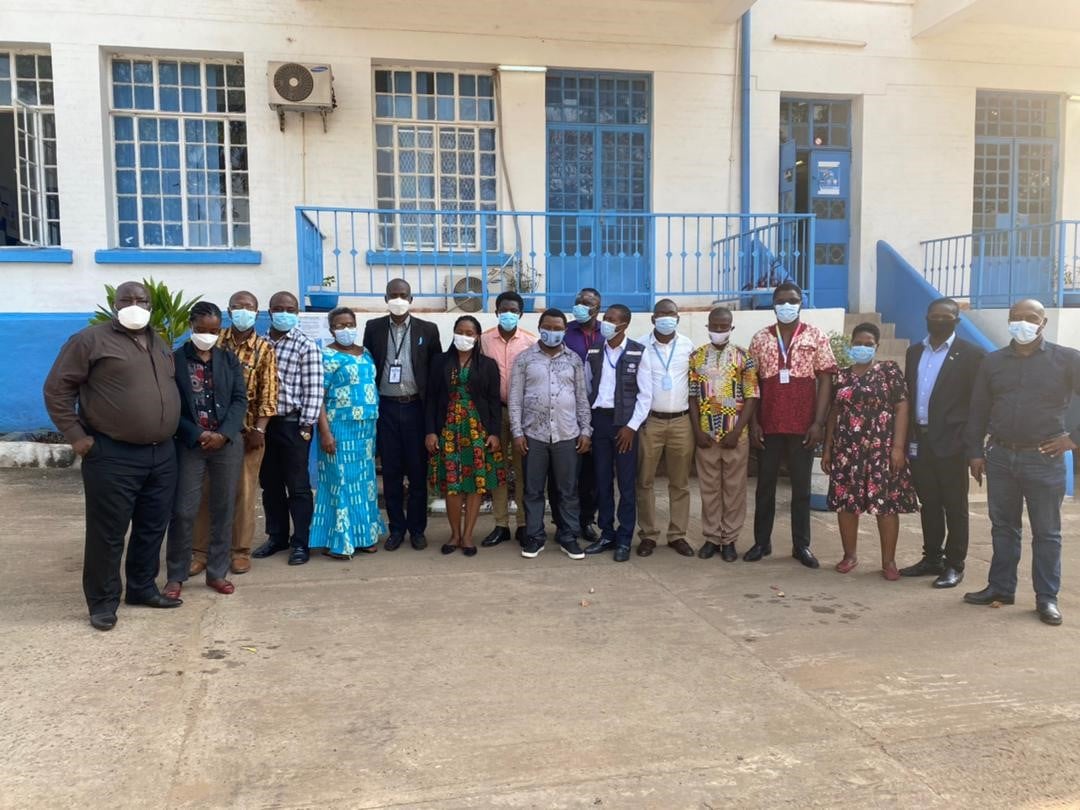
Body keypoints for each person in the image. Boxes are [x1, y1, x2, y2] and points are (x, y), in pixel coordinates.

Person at [43, 280, 182, 631]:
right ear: (115, 305)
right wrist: (77, 436)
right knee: (108, 532)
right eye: (126, 300)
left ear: (150, 305)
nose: (135, 305)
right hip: (112, 454)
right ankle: (103, 602)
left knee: (152, 526)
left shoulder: (159, 341)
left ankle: (142, 587)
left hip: (161, 454)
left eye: (141, 300)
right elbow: (57, 388)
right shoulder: (89, 341)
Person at [963, 299, 1080, 626]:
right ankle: (1001, 588)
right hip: (1000, 456)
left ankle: (1047, 598)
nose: (1023, 323)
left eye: (1031, 317)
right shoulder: (993, 362)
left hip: (1044, 458)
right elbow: (979, 408)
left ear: (1043, 323)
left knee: (1047, 532)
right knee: (1003, 527)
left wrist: (1074, 438)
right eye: (1016, 317)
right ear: (1009, 320)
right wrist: (975, 452)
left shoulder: (1067, 359)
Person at [747, 282, 836, 568]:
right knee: (765, 486)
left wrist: (818, 423)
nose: (787, 305)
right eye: (781, 300)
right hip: (768, 423)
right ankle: (762, 542)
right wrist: (754, 423)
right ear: (773, 304)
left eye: (793, 300)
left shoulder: (815, 335)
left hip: (803, 424)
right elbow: (751, 383)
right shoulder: (760, 338)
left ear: (801, 303)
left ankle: (801, 545)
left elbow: (825, 380)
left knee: (801, 488)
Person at [189, 290, 278, 576]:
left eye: (249, 307)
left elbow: (268, 394)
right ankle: (200, 551)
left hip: (246, 433)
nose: (243, 311)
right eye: (238, 307)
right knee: (205, 493)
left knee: (243, 493)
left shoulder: (264, 348)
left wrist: (259, 429)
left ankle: (239, 551)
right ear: (228, 311)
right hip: (208, 432)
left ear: (257, 312)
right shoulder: (214, 339)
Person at [164, 302, 248, 599]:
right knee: (183, 510)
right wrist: (197, 433)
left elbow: (239, 400)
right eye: (201, 330)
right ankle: (175, 575)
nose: (207, 336)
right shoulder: (174, 360)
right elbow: (171, 405)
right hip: (191, 444)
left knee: (223, 508)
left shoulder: (228, 359)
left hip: (225, 444)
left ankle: (217, 572)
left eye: (213, 331)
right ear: (191, 326)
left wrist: (223, 434)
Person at [821, 323, 918, 579]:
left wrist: (898, 448)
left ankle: (889, 562)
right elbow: (834, 412)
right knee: (846, 503)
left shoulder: (889, 372)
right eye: (858, 343)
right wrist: (828, 448)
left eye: (868, 344)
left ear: (877, 346)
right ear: (850, 345)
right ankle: (849, 555)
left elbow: (902, 407)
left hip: (881, 449)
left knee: (885, 505)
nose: (862, 348)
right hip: (846, 450)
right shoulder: (841, 376)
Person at [900, 298, 985, 588]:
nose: (938, 320)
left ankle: (954, 565)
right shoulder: (914, 352)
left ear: (956, 321)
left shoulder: (972, 354)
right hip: (920, 441)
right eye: (934, 316)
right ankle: (932, 558)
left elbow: (978, 403)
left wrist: (973, 445)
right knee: (929, 503)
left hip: (953, 442)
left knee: (955, 506)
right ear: (926, 318)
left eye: (945, 316)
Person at [363, 278, 441, 551]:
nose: (398, 299)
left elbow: (435, 374)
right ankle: (396, 528)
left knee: (418, 473)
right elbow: (368, 366)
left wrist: (432, 423)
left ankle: (417, 529)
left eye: (403, 295)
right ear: (386, 298)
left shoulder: (428, 330)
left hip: (416, 409)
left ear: (411, 298)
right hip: (386, 408)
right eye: (393, 295)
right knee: (391, 473)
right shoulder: (373, 328)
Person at [509, 308, 592, 560]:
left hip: (567, 434)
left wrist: (585, 430)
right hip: (533, 435)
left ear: (565, 330)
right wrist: (517, 432)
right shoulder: (524, 359)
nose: (552, 332)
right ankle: (535, 537)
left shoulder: (574, 360)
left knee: (568, 490)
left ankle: (568, 536)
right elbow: (515, 398)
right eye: (547, 327)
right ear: (539, 328)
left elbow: (582, 397)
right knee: (533, 490)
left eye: (557, 328)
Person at [252, 291, 322, 566]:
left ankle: (301, 542)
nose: (284, 313)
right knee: (270, 485)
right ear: (269, 312)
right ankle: (277, 536)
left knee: (298, 486)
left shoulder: (306, 345)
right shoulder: (259, 344)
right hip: (263, 425)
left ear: (297, 313)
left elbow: (313, 390)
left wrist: (306, 427)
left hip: (293, 425)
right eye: (279, 308)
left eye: (290, 309)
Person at [310, 307, 385, 559]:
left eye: (350, 324)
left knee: (364, 484)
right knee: (339, 482)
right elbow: (318, 398)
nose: (346, 329)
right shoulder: (325, 355)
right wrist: (325, 432)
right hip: (338, 428)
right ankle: (341, 541)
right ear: (331, 329)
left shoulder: (366, 353)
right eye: (340, 325)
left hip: (366, 430)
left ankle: (365, 537)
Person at [426, 315, 504, 555]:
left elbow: (494, 401)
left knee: (473, 484)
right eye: (460, 331)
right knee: (453, 483)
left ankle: (468, 535)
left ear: (477, 337)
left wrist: (494, 433)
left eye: (469, 333)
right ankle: (454, 535)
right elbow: (431, 399)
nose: (464, 336)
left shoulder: (488, 365)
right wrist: (430, 431)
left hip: (476, 430)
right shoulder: (439, 361)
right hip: (447, 429)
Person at [688, 307, 759, 562]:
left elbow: (751, 396)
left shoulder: (744, 357)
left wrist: (737, 431)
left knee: (734, 490)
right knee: (709, 490)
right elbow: (692, 396)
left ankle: (729, 539)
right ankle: (711, 538)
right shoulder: (696, 357)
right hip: (706, 435)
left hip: (735, 436)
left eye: (723, 326)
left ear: (731, 328)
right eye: (715, 326)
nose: (719, 330)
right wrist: (697, 431)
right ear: (708, 326)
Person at [583, 304, 652, 563]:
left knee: (626, 484)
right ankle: (607, 534)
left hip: (625, 426)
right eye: (605, 318)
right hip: (599, 422)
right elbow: (586, 387)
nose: (606, 323)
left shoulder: (638, 352)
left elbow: (645, 395)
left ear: (624, 325)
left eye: (612, 319)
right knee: (602, 482)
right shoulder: (594, 350)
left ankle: (624, 538)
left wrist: (631, 427)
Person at [635, 298, 696, 558]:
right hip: (650, 421)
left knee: (680, 482)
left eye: (671, 314)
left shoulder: (687, 346)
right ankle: (648, 535)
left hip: (681, 421)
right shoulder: (640, 345)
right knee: (644, 480)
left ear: (678, 318)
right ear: (653, 318)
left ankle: (677, 535)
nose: (666, 318)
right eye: (661, 314)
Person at [479, 291, 536, 547]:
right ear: (496, 312)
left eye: (513, 310)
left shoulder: (531, 342)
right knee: (497, 468)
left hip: (524, 414)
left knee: (524, 469)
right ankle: (500, 524)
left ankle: (523, 524)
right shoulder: (483, 340)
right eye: (504, 310)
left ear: (521, 314)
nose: (508, 314)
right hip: (495, 412)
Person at [562, 286, 604, 543]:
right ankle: (565, 522)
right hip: (568, 411)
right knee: (568, 472)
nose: (580, 306)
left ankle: (587, 520)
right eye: (578, 301)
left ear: (597, 308)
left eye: (587, 303)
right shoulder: (565, 332)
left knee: (593, 472)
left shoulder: (607, 332)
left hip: (599, 411)